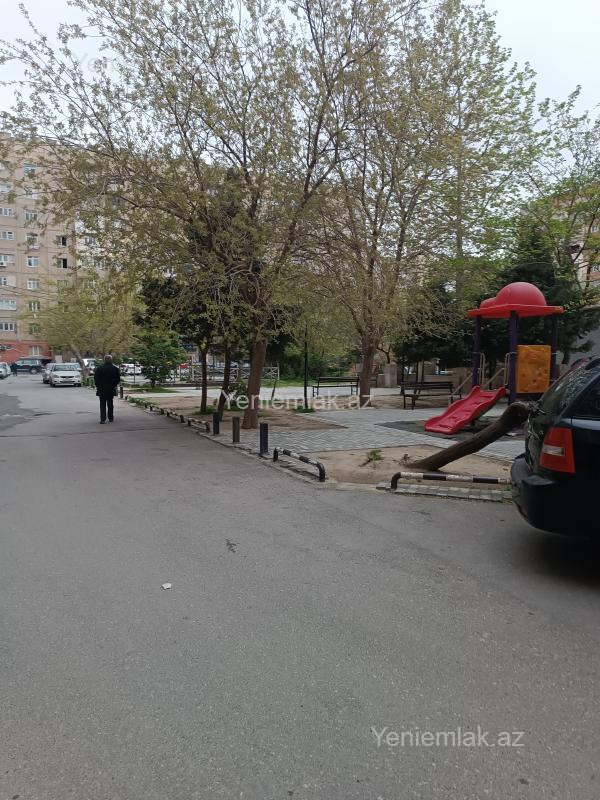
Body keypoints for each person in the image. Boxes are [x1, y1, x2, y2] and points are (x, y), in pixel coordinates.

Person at [94, 354, 121, 424]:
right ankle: (111, 418)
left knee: (102, 404)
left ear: (104, 360)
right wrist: (113, 385)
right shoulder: (115, 369)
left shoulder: (99, 368)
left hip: (102, 389)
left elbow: (96, 379)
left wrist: (98, 385)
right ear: (111, 360)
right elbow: (118, 379)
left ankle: (102, 419)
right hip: (111, 389)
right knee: (110, 403)